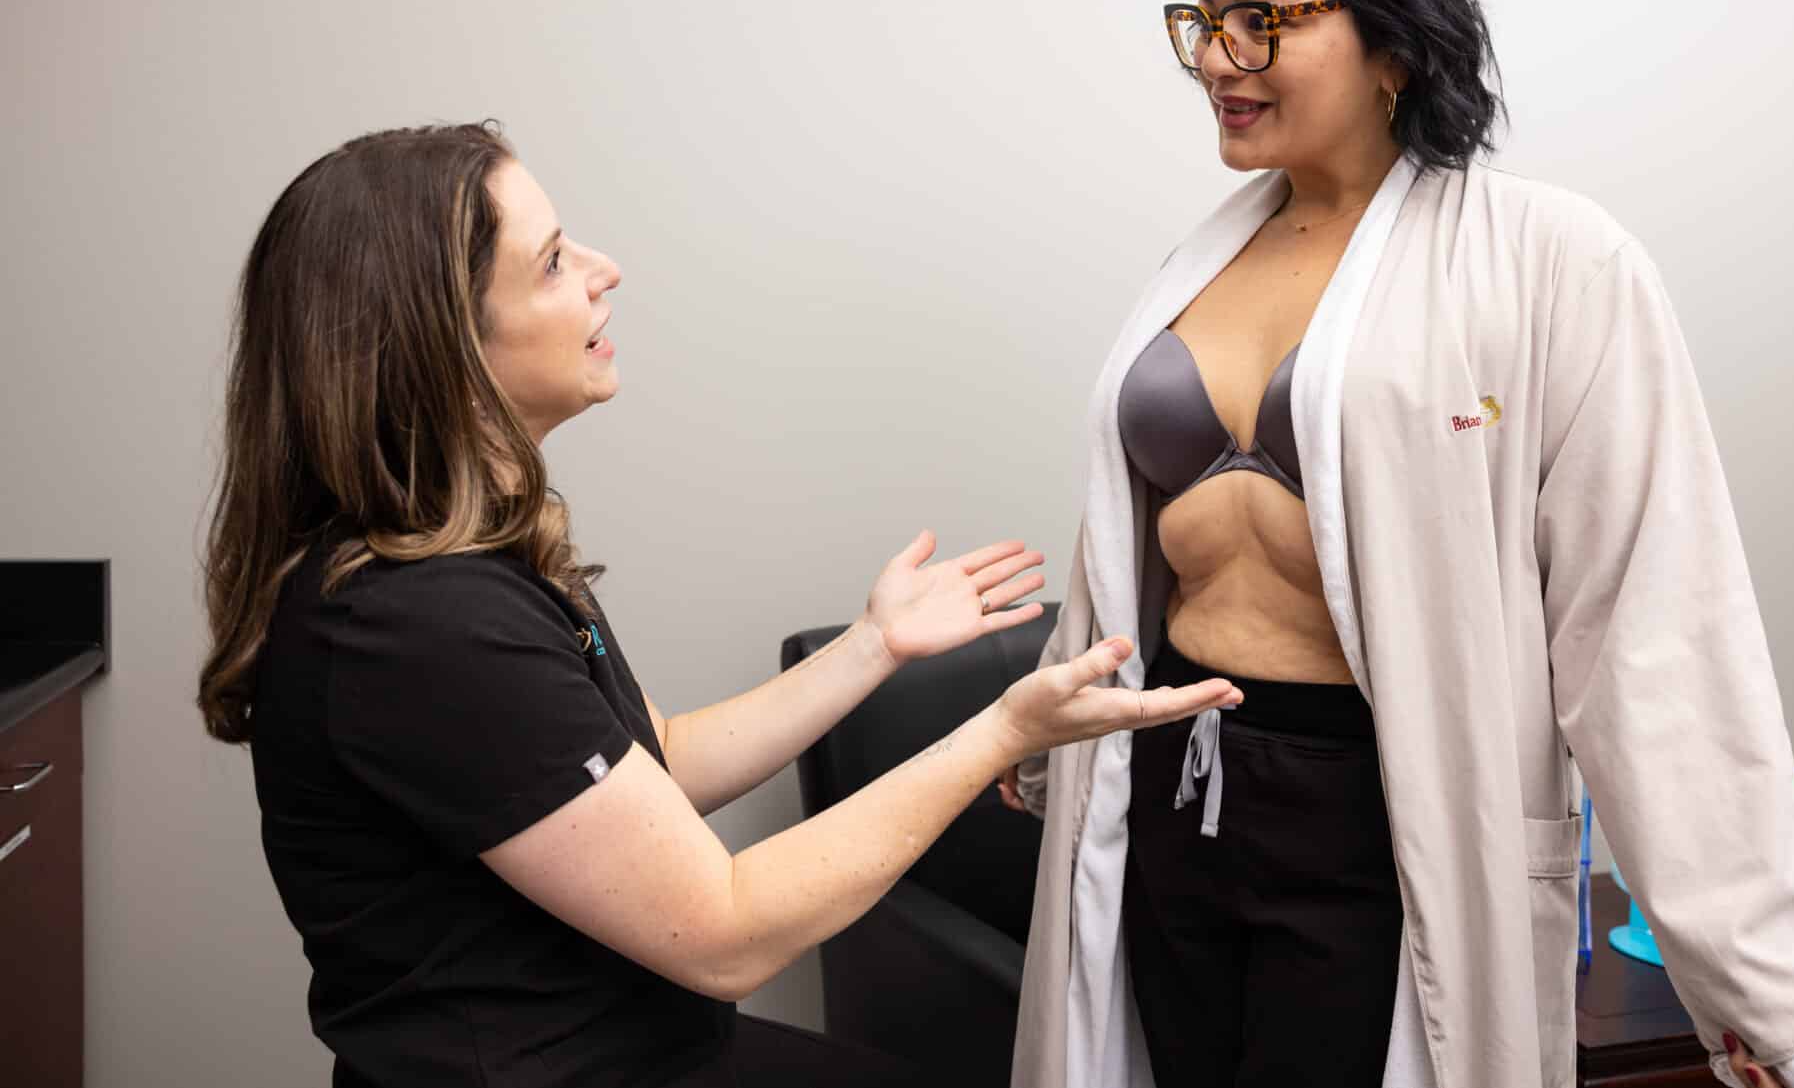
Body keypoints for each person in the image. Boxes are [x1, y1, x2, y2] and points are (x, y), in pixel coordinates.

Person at [996, 0, 1794, 1088]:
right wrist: (1043, 743)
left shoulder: (1549, 264)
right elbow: (1127, 555)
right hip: (1174, 793)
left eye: (1263, 18)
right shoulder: (1195, 266)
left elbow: (1652, 631)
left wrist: (1782, 1003)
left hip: (1372, 812)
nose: (1216, 56)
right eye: (1203, 21)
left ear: (1396, 46)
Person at [195, 121, 1243, 1088]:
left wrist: (874, 647)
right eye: (554, 263)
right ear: (446, 348)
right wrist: (1001, 732)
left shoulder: (467, 566)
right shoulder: (417, 625)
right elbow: (727, 932)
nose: (606, 273)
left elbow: (662, 762)